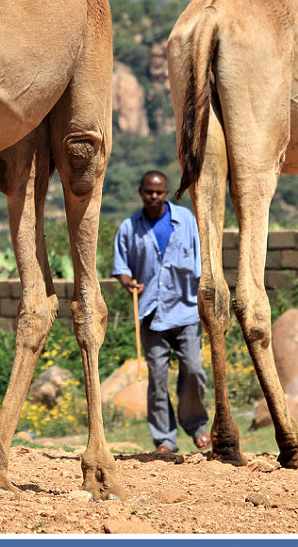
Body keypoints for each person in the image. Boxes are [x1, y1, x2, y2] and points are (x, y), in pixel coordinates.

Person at [112, 170, 210, 454]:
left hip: (186, 309)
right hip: (152, 314)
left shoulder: (186, 221)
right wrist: (128, 283)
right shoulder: (130, 228)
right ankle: (164, 439)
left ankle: (196, 426)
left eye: (159, 192)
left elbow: (202, 257)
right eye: (149, 192)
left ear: (167, 193)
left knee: (193, 370)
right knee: (157, 377)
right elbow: (121, 267)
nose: (154, 197)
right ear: (141, 192)